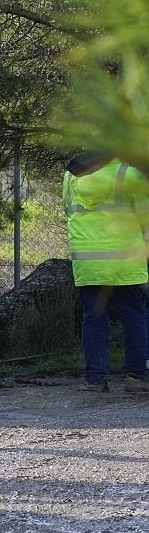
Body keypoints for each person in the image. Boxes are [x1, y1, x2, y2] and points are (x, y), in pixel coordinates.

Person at [63, 153, 149, 391]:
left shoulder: (70, 177)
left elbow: (69, 213)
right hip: (126, 265)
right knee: (133, 318)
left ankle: (95, 379)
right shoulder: (128, 175)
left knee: (93, 320)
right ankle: (136, 375)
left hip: (88, 264)